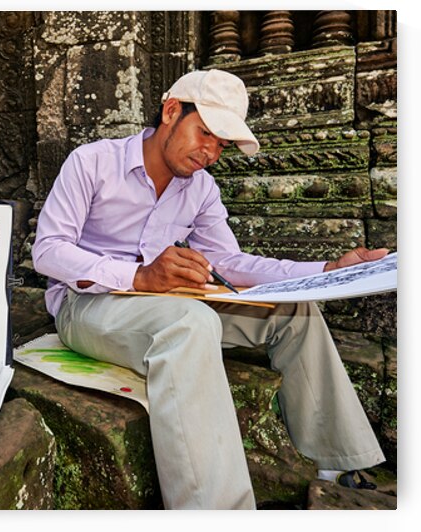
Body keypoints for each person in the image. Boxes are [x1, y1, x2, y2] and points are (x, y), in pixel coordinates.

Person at [32, 69, 388, 510]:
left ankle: (338, 463)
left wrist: (327, 269)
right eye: (205, 134)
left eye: (221, 145)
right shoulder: (92, 162)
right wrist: (139, 277)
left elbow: (230, 264)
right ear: (170, 111)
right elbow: (47, 251)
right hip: (86, 304)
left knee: (295, 311)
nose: (210, 153)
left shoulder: (200, 188)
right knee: (192, 322)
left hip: (165, 303)